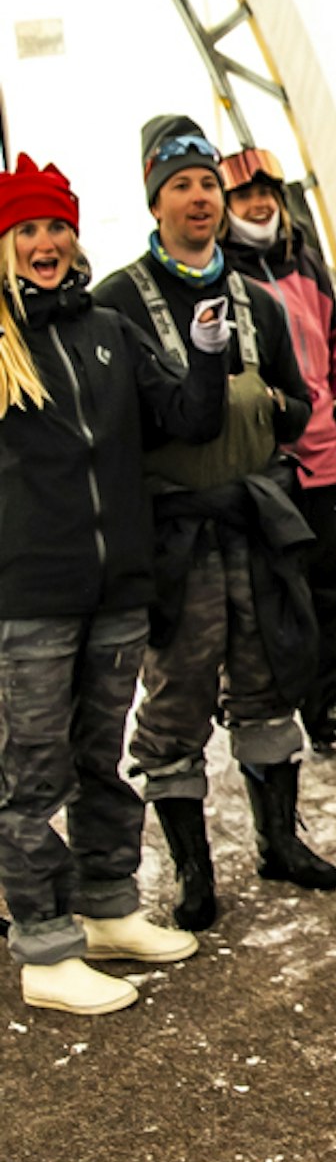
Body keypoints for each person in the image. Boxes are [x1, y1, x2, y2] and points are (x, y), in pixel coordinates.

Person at [0, 158, 231, 1015]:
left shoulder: (106, 328)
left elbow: (187, 418)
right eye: (26, 230)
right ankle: (45, 947)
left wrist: (207, 353)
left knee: (101, 760)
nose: (45, 243)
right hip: (28, 596)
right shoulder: (1, 343)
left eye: (56, 226)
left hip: (116, 589)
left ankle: (107, 907)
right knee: (31, 773)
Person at [96, 115, 336, 927]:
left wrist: (277, 404)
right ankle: (194, 875)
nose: (199, 198)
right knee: (174, 703)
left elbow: (302, 399)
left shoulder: (260, 299)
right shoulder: (119, 302)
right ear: (154, 199)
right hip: (177, 535)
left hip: (254, 518)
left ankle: (280, 843)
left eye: (207, 183)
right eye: (181, 185)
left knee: (269, 683)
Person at [219, 148, 336, 749]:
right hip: (264, 465)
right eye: (245, 195)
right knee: (277, 595)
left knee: (325, 587)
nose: (258, 204)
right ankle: (279, 698)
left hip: (320, 454)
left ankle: (328, 697)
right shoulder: (224, 272)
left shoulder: (308, 264)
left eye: (266, 193)